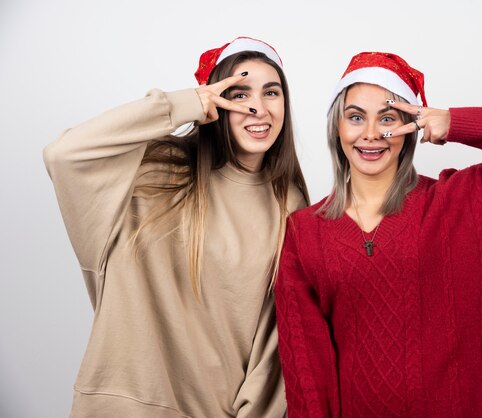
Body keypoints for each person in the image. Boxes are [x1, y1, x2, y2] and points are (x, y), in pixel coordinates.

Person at [275, 51, 482, 417]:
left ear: (412, 125)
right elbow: (307, 372)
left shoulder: (469, 201)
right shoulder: (305, 232)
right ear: (337, 127)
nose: (371, 133)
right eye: (355, 117)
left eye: (388, 117)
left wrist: (457, 123)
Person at [44, 36, 309, 417]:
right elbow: (64, 155)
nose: (257, 106)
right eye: (238, 93)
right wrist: (185, 104)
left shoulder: (290, 206)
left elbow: (277, 345)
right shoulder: (153, 170)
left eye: (272, 92)